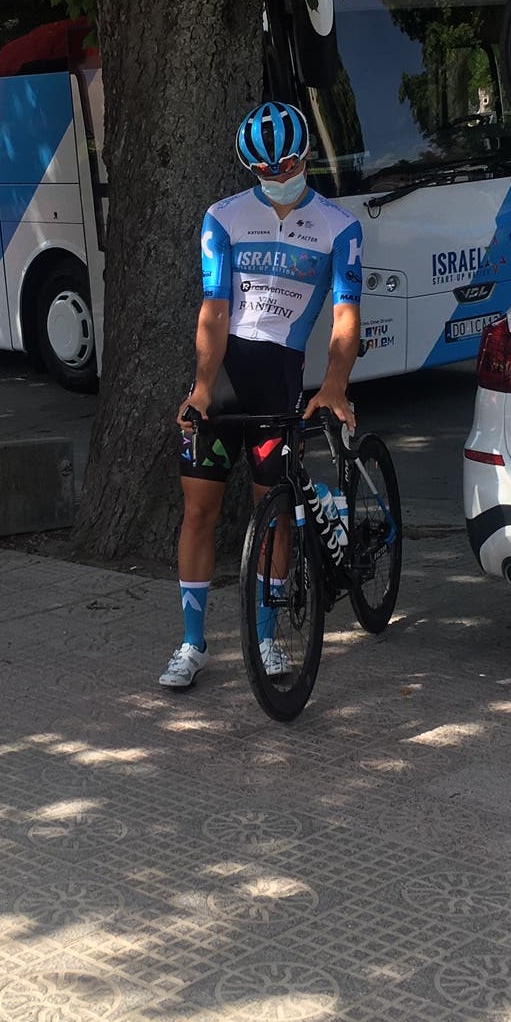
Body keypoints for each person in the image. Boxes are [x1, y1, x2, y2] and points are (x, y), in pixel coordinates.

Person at [161, 101, 362, 690]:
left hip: (281, 376)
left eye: (290, 164)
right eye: (267, 170)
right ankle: (192, 644)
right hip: (227, 379)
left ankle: (269, 637)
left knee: (273, 517)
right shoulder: (221, 218)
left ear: (305, 156)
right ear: (251, 167)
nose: (280, 177)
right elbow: (215, 310)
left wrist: (333, 384)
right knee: (198, 509)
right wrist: (200, 389)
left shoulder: (339, 226)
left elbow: (346, 314)